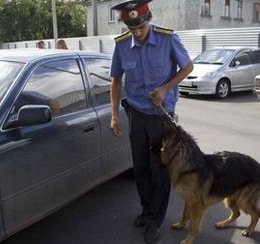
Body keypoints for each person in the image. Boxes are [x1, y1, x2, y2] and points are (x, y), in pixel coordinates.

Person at [109, 0, 193, 243]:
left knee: (160, 170)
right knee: (141, 168)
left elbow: (188, 66)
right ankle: (146, 211)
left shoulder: (167, 39)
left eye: (141, 28)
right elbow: (115, 81)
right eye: (131, 28)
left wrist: (166, 89)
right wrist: (114, 114)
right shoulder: (122, 45)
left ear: (149, 19)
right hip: (136, 115)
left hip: (161, 119)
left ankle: (156, 220)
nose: (137, 33)